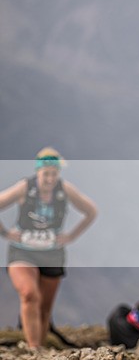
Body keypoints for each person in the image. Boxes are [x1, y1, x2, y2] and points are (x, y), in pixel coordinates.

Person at [0, 148, 97, 349]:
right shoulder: (24, 188)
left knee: (44, 307)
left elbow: (91, 211)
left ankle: (41, 348)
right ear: (38, 172)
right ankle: (33, 348)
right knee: (29, 294)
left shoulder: (65, 190)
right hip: (22, 250)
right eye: (46, 174)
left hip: (52, 253)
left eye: (54, 174)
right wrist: (6, 233)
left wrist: (71, 236)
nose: (50, 179)